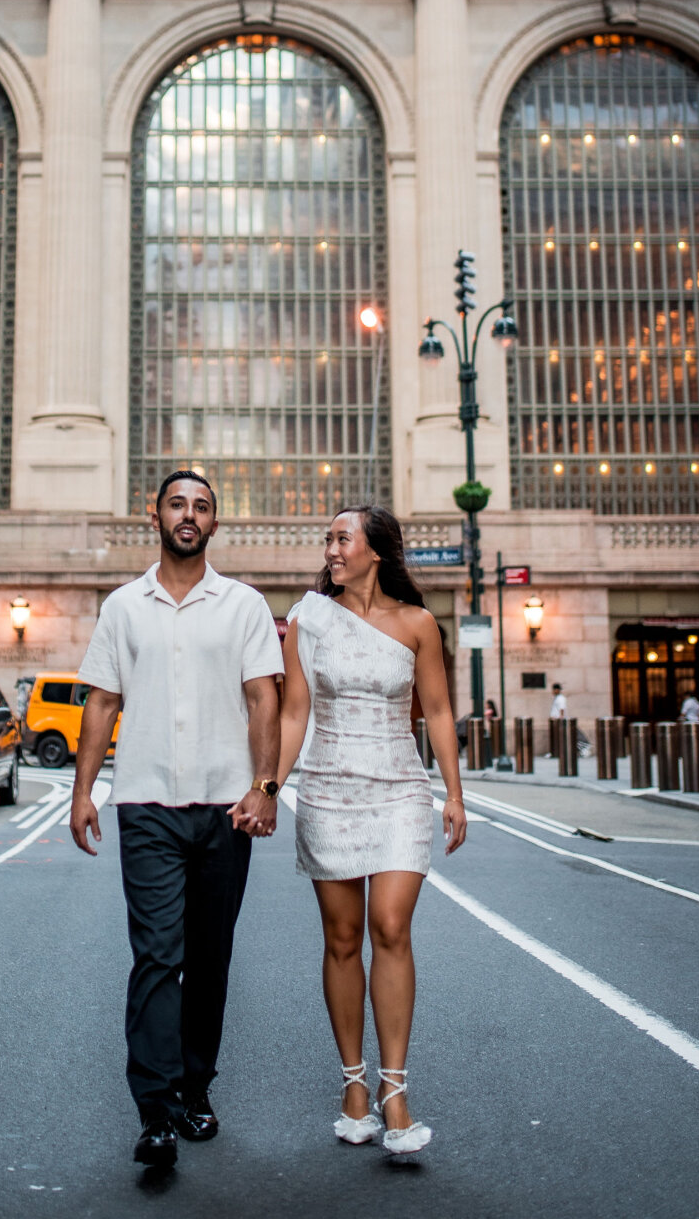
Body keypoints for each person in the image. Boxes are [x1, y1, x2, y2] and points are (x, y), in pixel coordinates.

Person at [70, 470, 283, 1174]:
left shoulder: (244, 605)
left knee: (210, 957)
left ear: (213, 524)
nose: (187, 516)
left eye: (201, 507)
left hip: (227, 808)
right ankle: (156, 1109)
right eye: (176, 504)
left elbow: (263, 701)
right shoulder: (123, 607)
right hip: (147, 805)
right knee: (158, 955)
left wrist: (263, 787)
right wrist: (83, 792)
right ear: (154, 516)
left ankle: (196, 1088)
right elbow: (101, 704)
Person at [276, 507, 466, 1158]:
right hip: (327, 788)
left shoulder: (416, 625)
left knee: (389, 926)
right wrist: (270, 788)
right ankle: (352, 1084)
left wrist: (453, 794)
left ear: (374, 552)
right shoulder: (306, 621)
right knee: (341, 938)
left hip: (399, 792)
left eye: (340, 538)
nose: (330, 549)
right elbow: (294, 713)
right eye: (327, 539)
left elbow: (437, 711)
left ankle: (395, 1091)